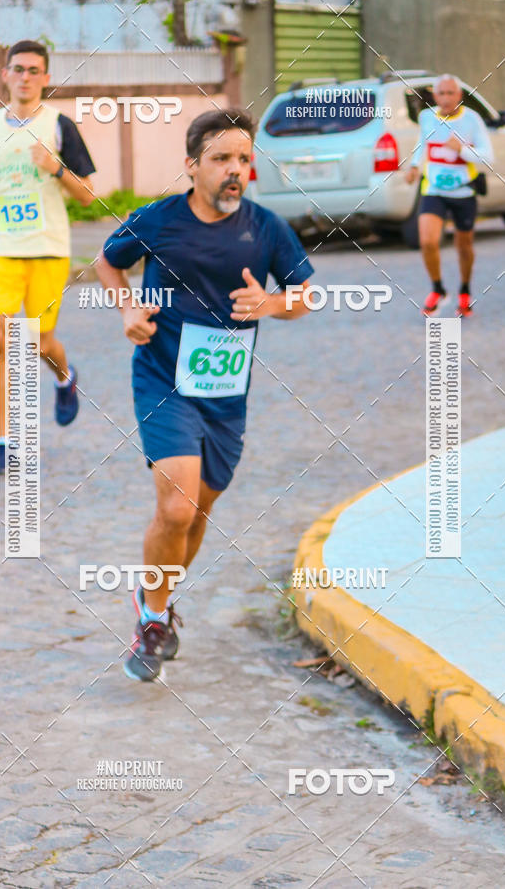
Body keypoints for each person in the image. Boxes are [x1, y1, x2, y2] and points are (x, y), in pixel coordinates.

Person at [96, 108, 314, 682]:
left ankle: (159, 605)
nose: (235, 170)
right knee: (176, 504)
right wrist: (128, 310)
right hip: (164, 378)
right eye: (221, 159)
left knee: (199, 512)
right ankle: (152, 617)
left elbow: (304, 295)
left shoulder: (266, 228)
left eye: (244, 159)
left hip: (225, 393)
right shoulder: (158, 221)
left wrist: (271, 304)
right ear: (192, 166)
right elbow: (106, 262)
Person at [0, 39, 96, 474]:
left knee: (38, 341)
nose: (25, 77)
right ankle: (6, 442)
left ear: (46, 77)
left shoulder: (61, 126)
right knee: (0, 337)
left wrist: (56, 167)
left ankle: (64, 375)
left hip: (47, 247)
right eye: (17, 69)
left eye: (34, 70)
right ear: (5, 75)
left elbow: (90, 195)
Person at [405, 74, 493, 317]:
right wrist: (413, 165)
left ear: (459, 95)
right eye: (441, 93)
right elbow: (422, 143)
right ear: (434, 96)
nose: (445, 98)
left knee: (464, 246)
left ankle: (465, 290)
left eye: (450, 93)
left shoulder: (472, 120)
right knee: (428, 241)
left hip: (464, 192)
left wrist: (462, 150)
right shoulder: (426, 117)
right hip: (434, 190)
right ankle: (438, 289)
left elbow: (488, 156)